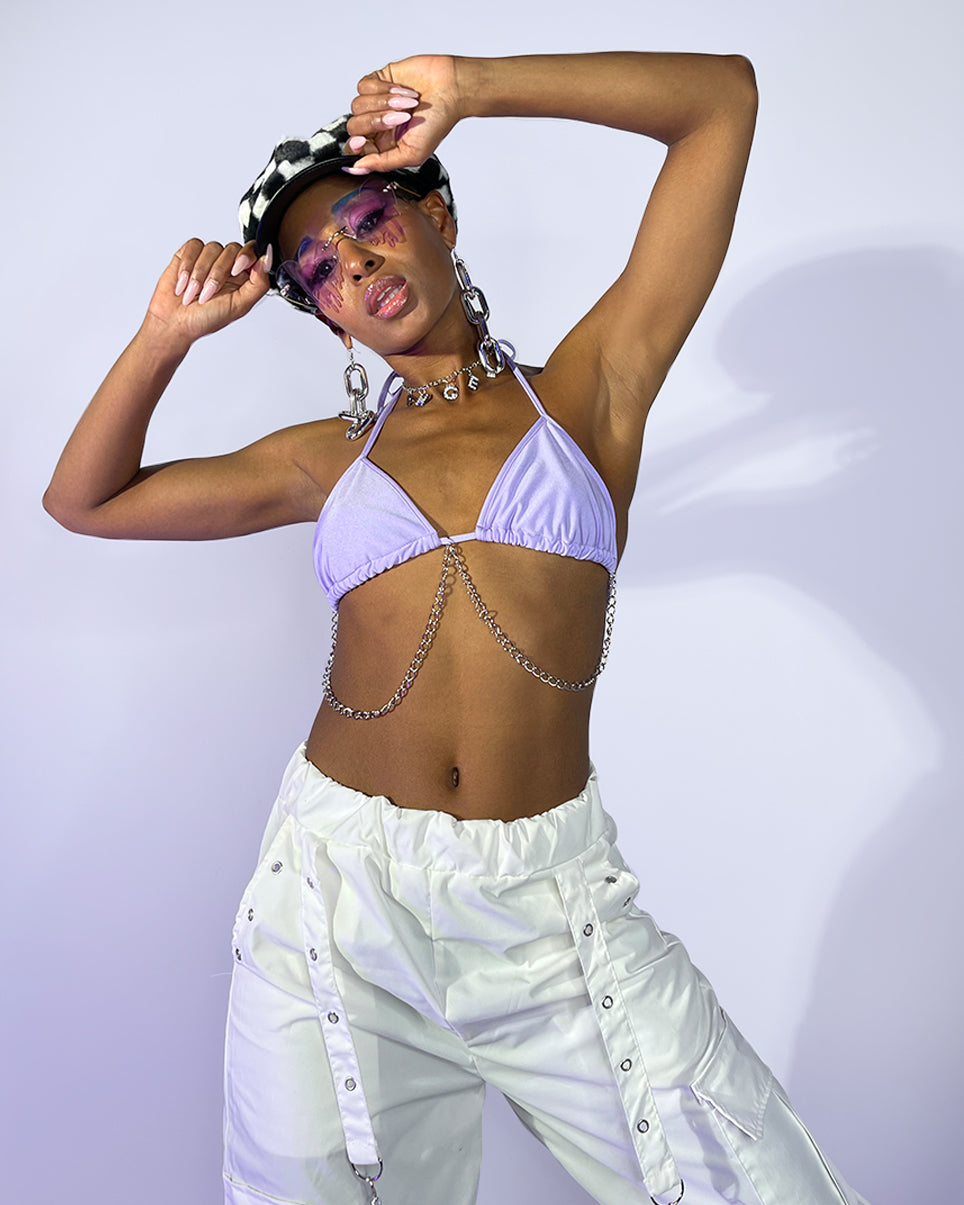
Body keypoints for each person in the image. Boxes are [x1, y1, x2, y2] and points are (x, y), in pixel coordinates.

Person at [43, 52, 869, 1205]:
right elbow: (85, 500)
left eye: (368, 223)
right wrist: (163, 338)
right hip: (336, 897)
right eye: (319, 272)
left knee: (757, 1181)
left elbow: (718, 102)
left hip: (552, 904)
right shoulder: (325, 458)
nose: (354, 266)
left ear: (433, 213)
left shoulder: (587, 393)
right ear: (328, 321)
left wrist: (473, 88)